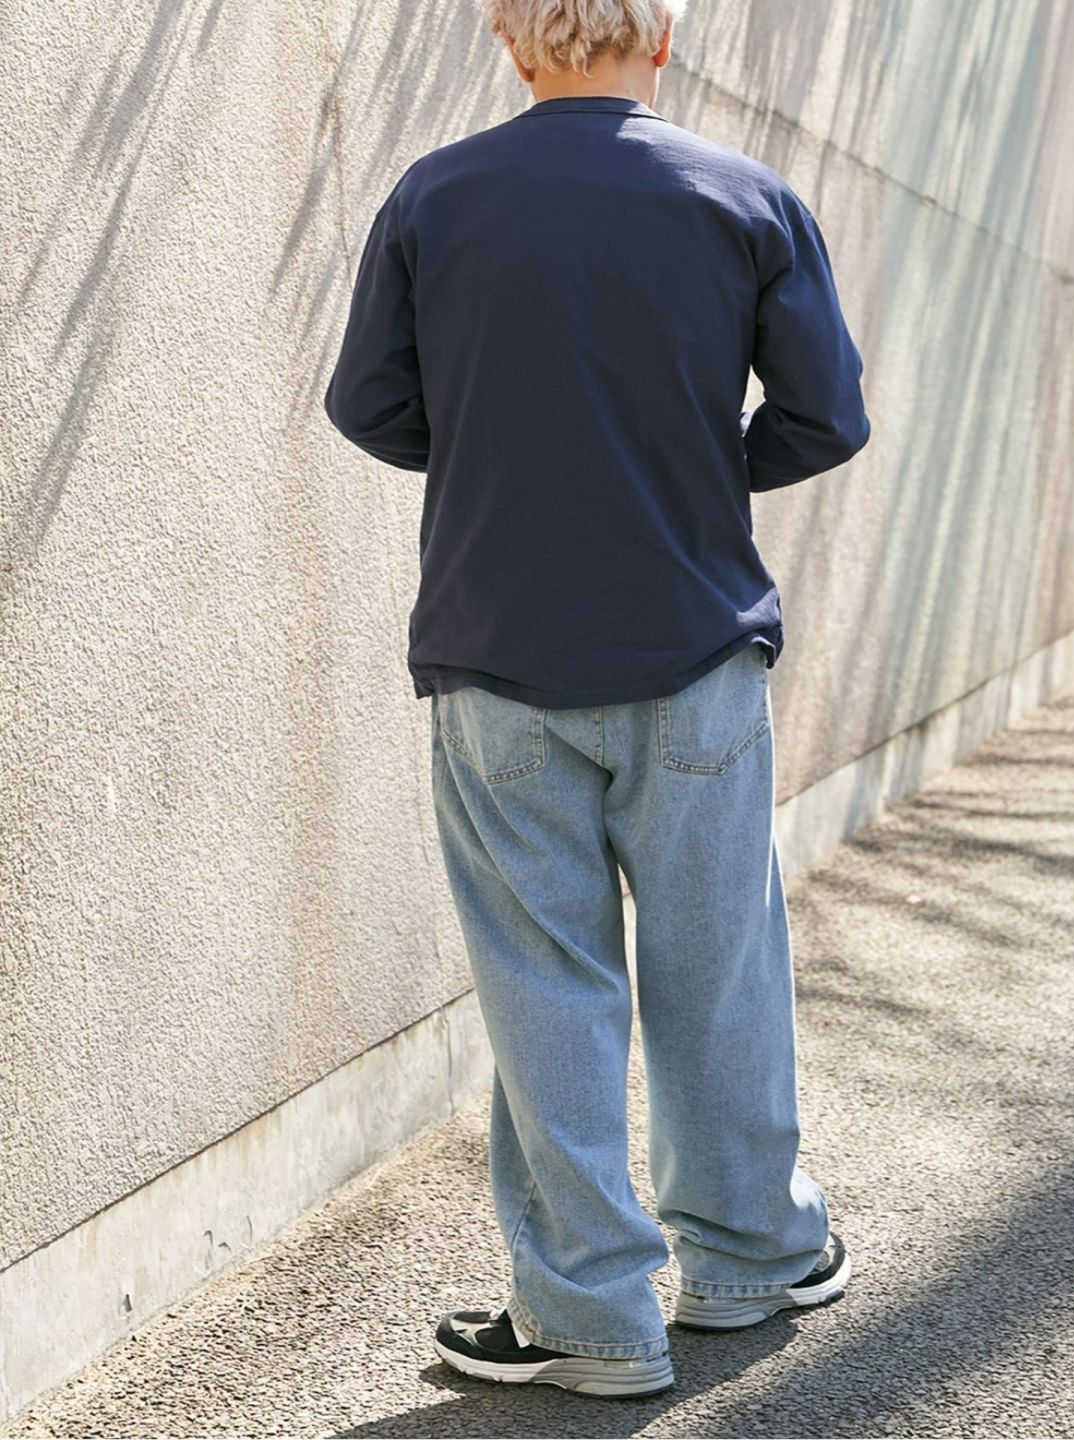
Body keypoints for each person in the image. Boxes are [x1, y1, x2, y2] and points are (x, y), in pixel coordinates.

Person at [324, 0, 870, 1399]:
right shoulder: (745, 200)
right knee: (716, 968)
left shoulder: (435, 198)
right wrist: (692, 465)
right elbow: (826, 416)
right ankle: (749, 1258)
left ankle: (589, 1320)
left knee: (545, 987)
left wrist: (513, 448)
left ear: (512, 44)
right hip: (694, 651)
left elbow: (369, 406)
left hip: (497, 661)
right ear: (663, 41)